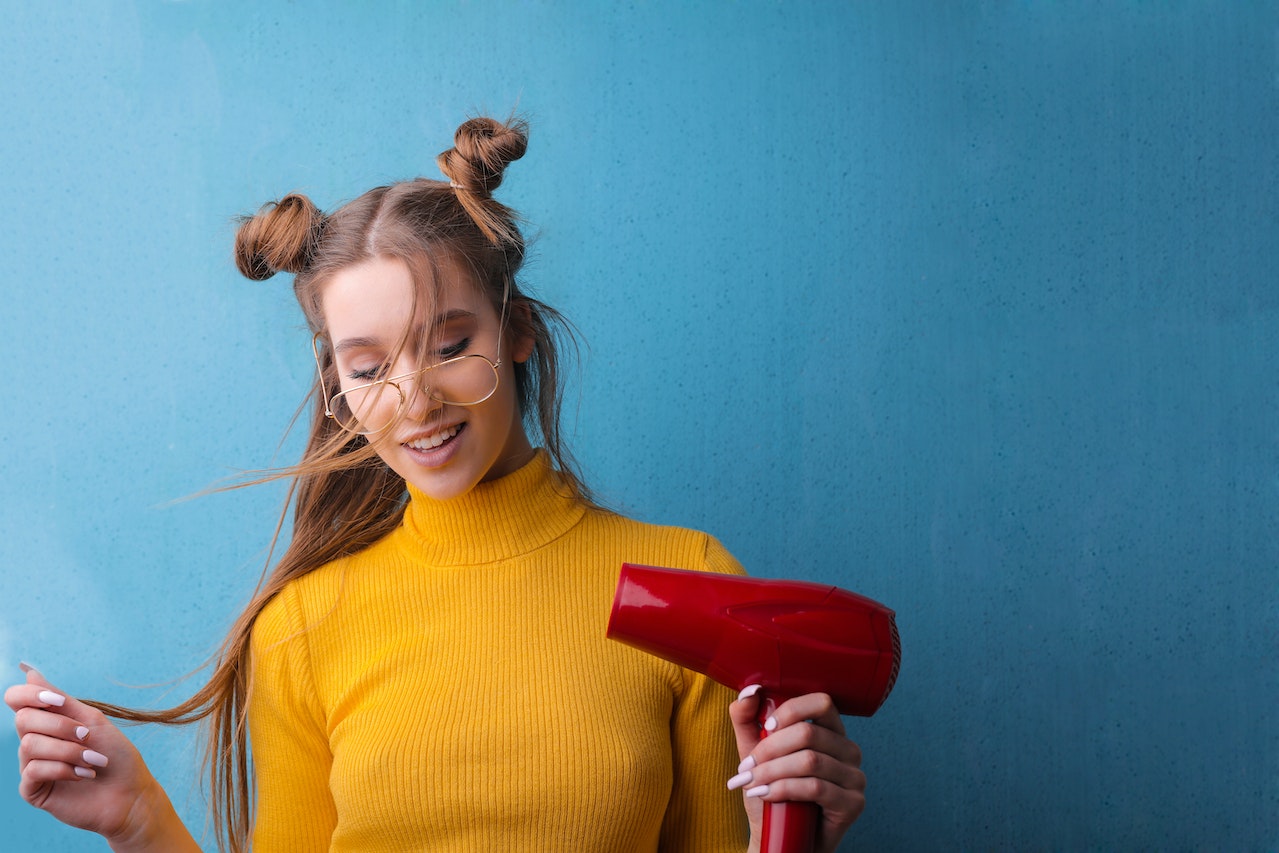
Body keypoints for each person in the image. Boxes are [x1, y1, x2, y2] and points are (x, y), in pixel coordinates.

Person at [5, 116, 867, 853]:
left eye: (450, 344)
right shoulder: (303, 628)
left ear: (517, 328)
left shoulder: (692, 581)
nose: (413, 398)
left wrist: (784, 832)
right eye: (369, 366)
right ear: (338, 383)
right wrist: (139, 822)